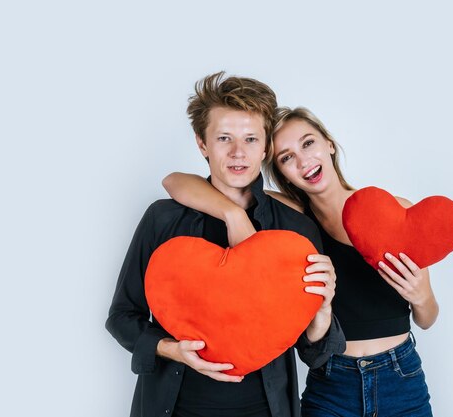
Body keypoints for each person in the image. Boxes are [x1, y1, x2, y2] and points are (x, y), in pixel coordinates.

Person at [163, 107, 439, 416]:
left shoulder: (393, 211)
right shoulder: (292, 218)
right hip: (330, 382)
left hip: (400, 377)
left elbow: (427, 318)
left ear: (329, 144)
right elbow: (174, 181)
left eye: (308, 143)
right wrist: (234, 214)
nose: (303, 161)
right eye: (286, 157)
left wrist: (422, 296)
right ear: (280, 171)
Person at [106, 74, 346, 417]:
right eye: (223, 138)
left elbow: (317, 355)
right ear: (202, 144)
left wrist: (322, 310)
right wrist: (172, 349)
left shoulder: (294, 229)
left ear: (265, 149)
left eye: (250, 139)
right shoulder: (162, 220)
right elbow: (122, 317)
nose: (238, 152)